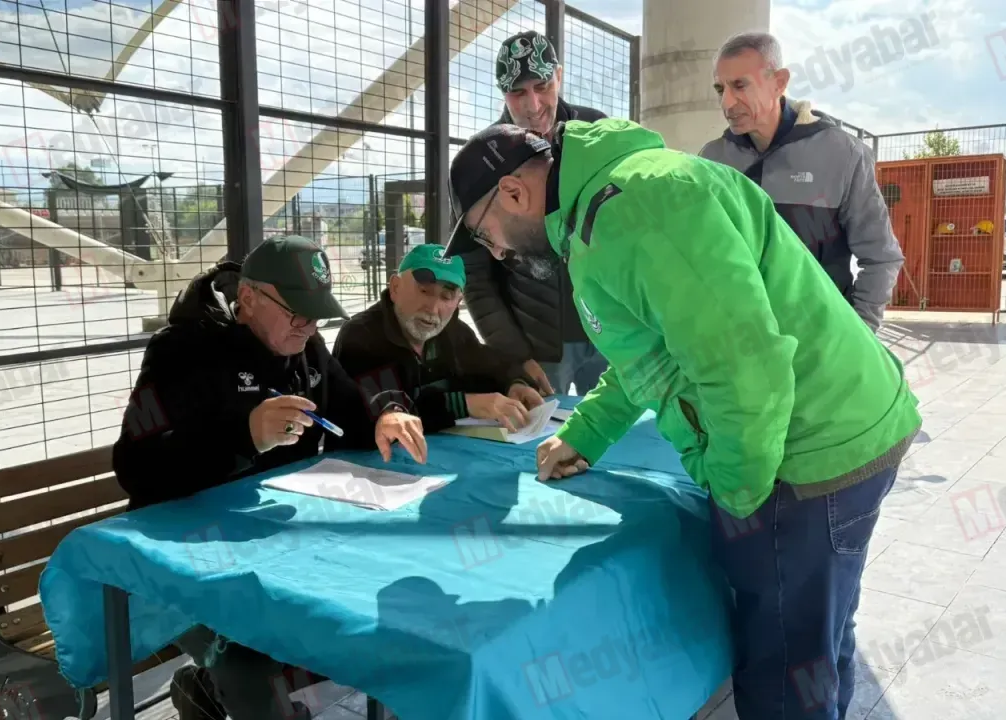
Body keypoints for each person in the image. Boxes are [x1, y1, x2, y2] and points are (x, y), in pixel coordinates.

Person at [443, 119, 922, 720]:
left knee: (784, 668)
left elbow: (744, 367)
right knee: (816, 639)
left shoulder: (634, 209)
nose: (497, 252)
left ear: (513, 193)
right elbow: (653, 351)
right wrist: (587, 432)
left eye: (485, 234)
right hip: (835, 426)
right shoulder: (610, 204)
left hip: (808, 453)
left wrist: (738, 497)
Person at [112, 235, 428, 720]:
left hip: (271, 548)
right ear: (249, 298)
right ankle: (217, 690)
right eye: (297, 313)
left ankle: (203, 693)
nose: (309, 327)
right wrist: (245, 437)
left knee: (382, 596)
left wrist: (386, 413)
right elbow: (136, 466)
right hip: (181, 555)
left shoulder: (306, 347)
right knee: (250, 661)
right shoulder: (183, 350)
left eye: (317, 315)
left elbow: (350, 410)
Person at [699, 31, 903, 332]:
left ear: (779, 82)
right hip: (738, 341)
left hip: (818, 340)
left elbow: (880, 257)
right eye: (720, 89)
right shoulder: (711, 159)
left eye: (740, 85)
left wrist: (859, 334)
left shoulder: (842, 154)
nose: (727, 102)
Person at [460, 29, 609, 397]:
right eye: (517, 92)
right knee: (544, 431)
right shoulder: (483, 158)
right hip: (539, 347)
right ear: (502, 92)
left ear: (559, 75)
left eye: (542, 86)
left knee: (628, 427)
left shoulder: (598, 133)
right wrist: (513, 355)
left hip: (612, 329)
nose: (533, 104)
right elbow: (475, 275)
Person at [333, 243, 545, 434]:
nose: (433, 308)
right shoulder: (362, 336)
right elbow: (383, 413)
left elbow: (492, 366)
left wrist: (514, 384)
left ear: (458, 302)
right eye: (424, 291)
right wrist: (464, 404)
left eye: (446, 297)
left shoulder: (454, 332)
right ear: (395, 288)